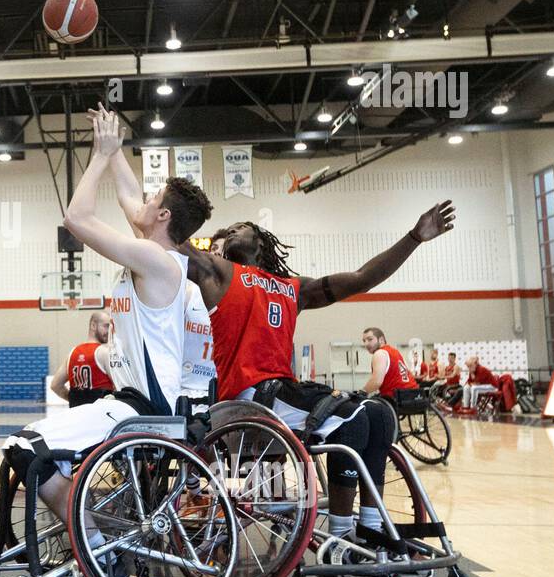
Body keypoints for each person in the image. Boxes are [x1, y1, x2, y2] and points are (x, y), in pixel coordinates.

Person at [179, 181, 455, 546]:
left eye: (238, 227)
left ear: (261, 243)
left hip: (282, 392)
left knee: (379, 414)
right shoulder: (218, 275)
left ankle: (371, 524)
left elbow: (361, 279)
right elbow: (170, 241)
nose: (230, 231)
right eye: (225, 232)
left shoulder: (293, 288)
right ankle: (340, 536)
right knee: (352, 416)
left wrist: (414, 238)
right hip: (250, 396)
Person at [0, 106, 215, 556]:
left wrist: (98, 156)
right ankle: (93, 538)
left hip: (143, 408)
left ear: (164, 218)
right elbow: (131, 197)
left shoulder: (154, 259)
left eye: (154, 200)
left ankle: (98, 551)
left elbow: (76, 219)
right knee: (47, 451)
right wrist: (117, 153)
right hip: (138, 402)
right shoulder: (162, 257)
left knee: (23, 446)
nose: (144, 203)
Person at [50, 310, 114, 407]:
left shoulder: (72, 353)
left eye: (110, 327)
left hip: (77, 415)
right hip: (100, 415)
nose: (109, 331)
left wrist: (73, 400)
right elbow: (119, 386)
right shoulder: (103, 352)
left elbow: (55, 385)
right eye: (106, 326)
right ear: (93, 326)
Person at [361, 327, 419, 400]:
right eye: (364, 341)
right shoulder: (395, 351)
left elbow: (376, 382)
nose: (366, 344)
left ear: (381, 340)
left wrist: (362, 392)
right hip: (416, 395)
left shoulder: (379, 353)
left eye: (370, 339)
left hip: (399, 399)